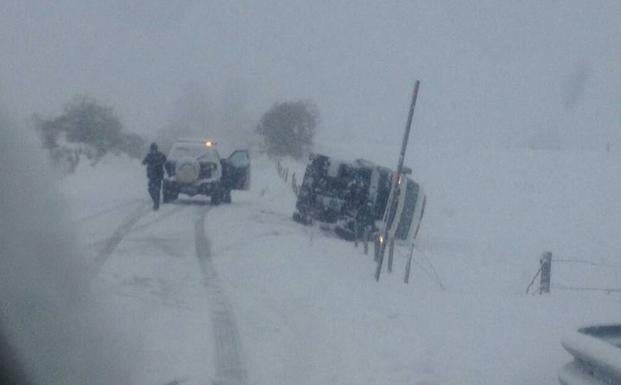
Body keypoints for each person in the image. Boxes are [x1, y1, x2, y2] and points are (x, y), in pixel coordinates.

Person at [142, 143, 167, 210]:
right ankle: (155, 201)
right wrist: (146, 161)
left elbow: (165, 161)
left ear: (156, 149)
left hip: (158, 176)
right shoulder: (149, 156)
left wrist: (160, 162)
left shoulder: (161, 155)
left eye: (154, 149)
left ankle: (156, 204)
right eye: (152, 149)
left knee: (157, 190)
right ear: (150, 149)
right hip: (151, 176)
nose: (153, 150)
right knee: (150, 190)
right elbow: (143, 162)